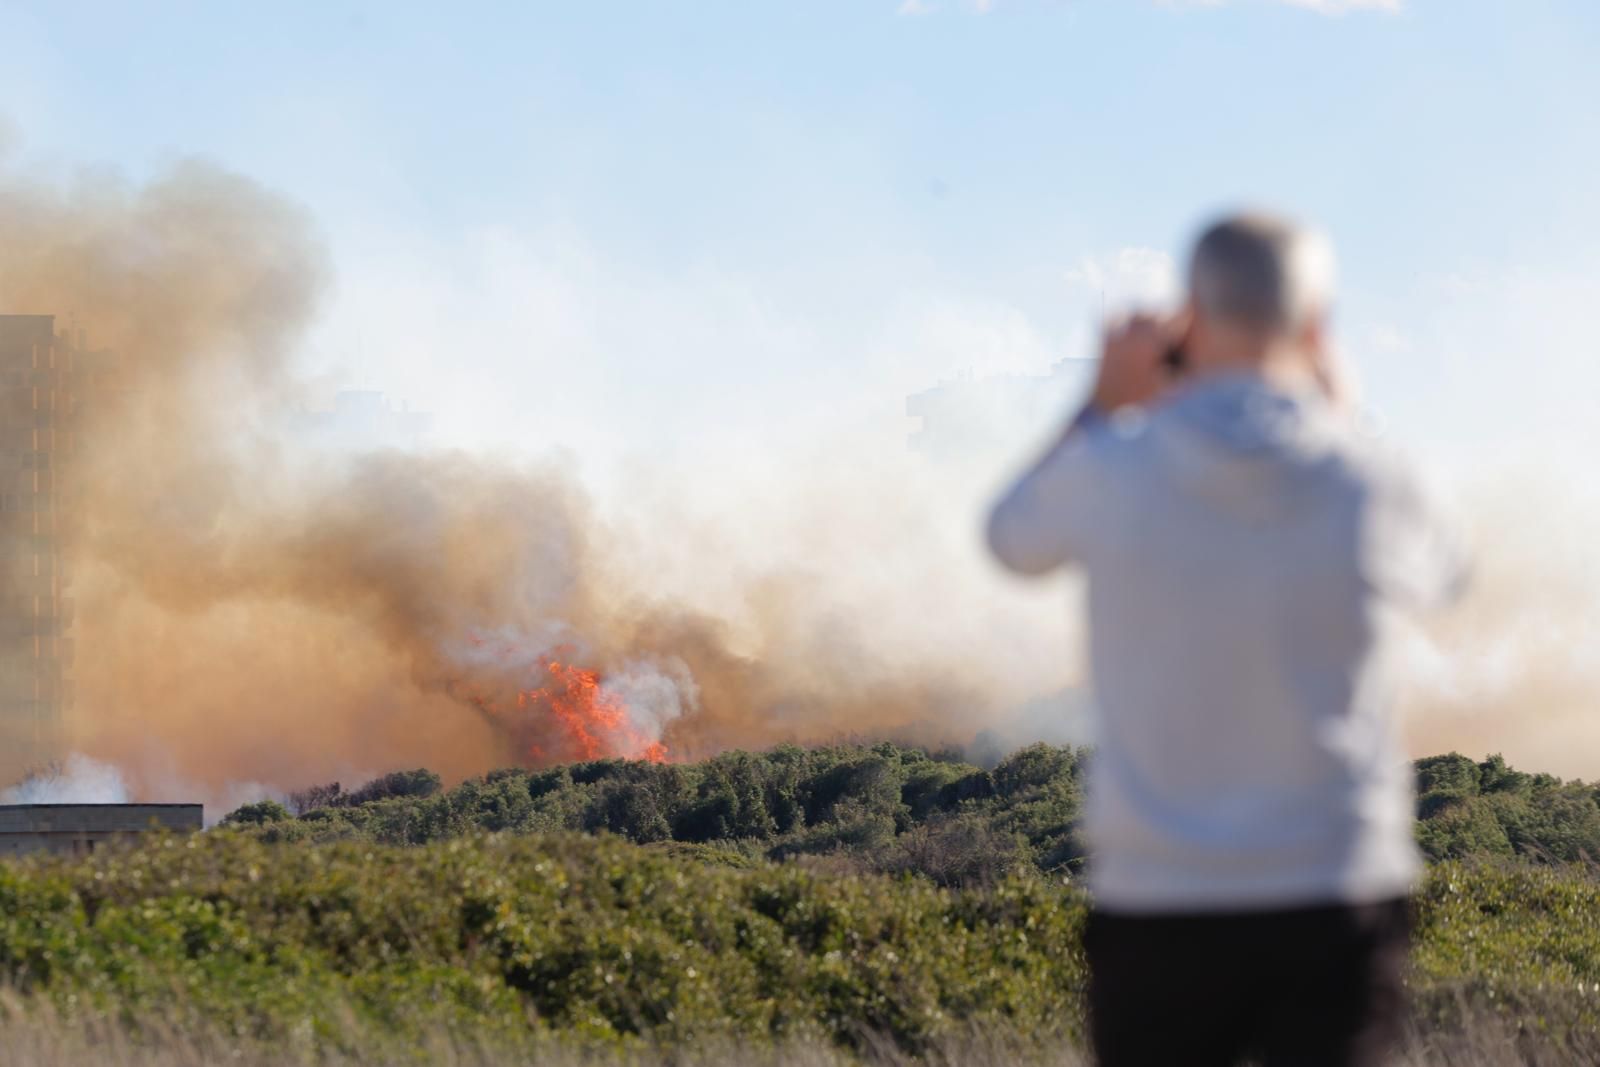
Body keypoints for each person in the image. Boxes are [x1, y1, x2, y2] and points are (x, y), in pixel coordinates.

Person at [987, 213, 1467, 1067]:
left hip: (1159, 898)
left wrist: (1102, 400)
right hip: (1334, 890)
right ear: (1316, 327)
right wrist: (1339, 407)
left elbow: (1011, 537)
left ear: (1191, 322)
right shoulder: (1366, 475)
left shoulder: (1115, 465)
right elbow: (1448, 571)